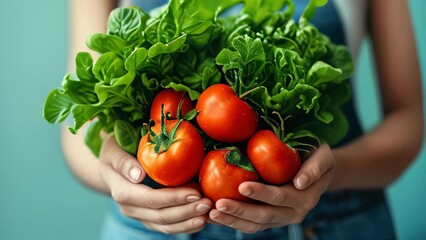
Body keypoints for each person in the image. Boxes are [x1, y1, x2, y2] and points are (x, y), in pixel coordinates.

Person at [62, 0, 424, 239]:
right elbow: (79, 131)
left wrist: (325, 174)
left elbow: (409, 119)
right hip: (152, 227)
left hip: (335, 223)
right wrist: (119, 176)